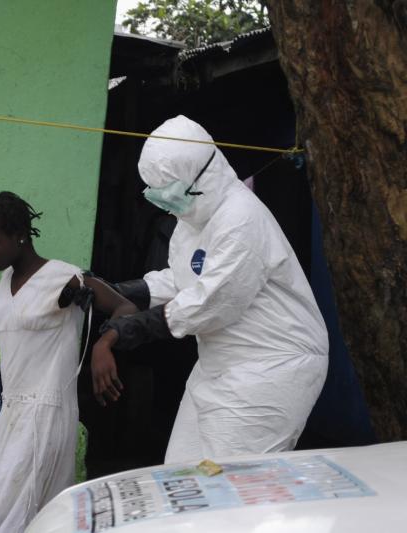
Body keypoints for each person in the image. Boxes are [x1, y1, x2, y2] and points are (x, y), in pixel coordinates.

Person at [90, 115, 329, 464]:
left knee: (228, 485)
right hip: (220, 363)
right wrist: (117, 290)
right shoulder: (194, 219)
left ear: (201, 176)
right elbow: (181, 280)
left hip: (271, 365)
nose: (165, 204)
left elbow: (211, 303)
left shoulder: (241, 219)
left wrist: (121, 332)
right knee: (182, 472)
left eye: (171, 192)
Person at [0, 191, 137, 533]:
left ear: (19, 236)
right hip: (11, 415)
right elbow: (5, 322)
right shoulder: (2, 284)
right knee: (10, 512)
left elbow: (126, 308)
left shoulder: (64, 277)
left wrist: (103, 346)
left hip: (46, 414)